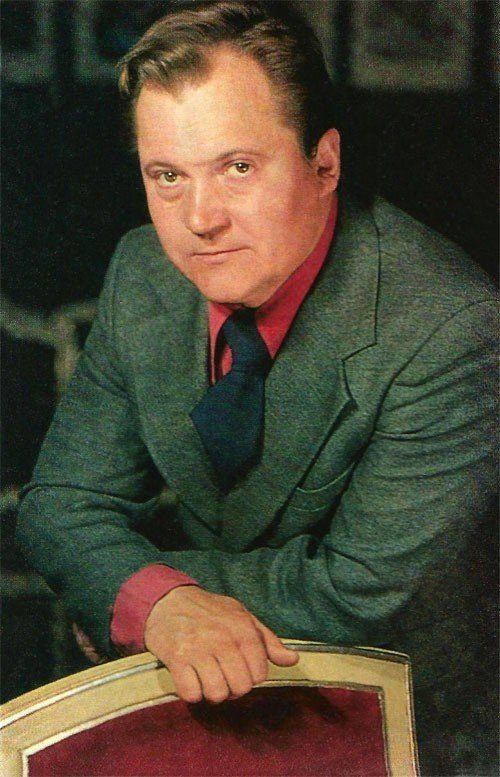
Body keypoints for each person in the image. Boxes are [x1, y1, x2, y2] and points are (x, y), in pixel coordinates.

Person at [16, 2, 497, 773]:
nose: (200, 218)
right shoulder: (143, 272)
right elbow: (60, 504)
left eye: (237, 167)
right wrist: (163, 604)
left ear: (325, 164)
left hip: (411, 732)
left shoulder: (448, 325)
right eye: (167, 176)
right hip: (198, 713)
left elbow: (357, 594)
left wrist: (141, 591)